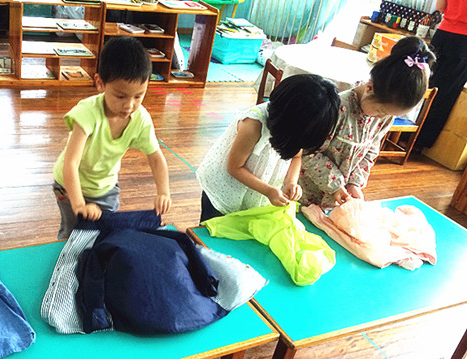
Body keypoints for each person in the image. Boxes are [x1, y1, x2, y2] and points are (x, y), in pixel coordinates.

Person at [52, 36, 171, 239]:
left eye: (138, 96)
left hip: (105, 188)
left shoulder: (140, 119)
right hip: (69, 185)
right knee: (73, 236)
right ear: (100, 83)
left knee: (107, 234)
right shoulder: (88, 113)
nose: (129, 105)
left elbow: (156, 158)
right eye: (120, 96)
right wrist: (79, 204)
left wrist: (163, 192)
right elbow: (71, 163)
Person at [299, 36, 436, 208]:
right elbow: (308, 153)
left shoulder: (385, 117)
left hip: (336, 198)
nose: (381, 118)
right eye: (380, 112)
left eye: (390, 115)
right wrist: (335, 186)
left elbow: (371, 151)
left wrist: (354, 183)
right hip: (305, 193)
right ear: (369, 88)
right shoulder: (336, 109)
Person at [196, 74, 340, 222]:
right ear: (292, 122)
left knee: (242, 227)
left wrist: (291, 182)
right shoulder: (253, 125)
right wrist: (268, 191)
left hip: (257, 193)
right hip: (225, 191)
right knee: (212, 228)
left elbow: (296, 157)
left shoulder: (297, 130)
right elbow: (235, 167)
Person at [416, 0, 467, 148]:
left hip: (442, 34)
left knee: (424, 81)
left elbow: (440, 7)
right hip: (463, 41)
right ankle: (419, 140)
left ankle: (400, 131)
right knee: (445, 92)